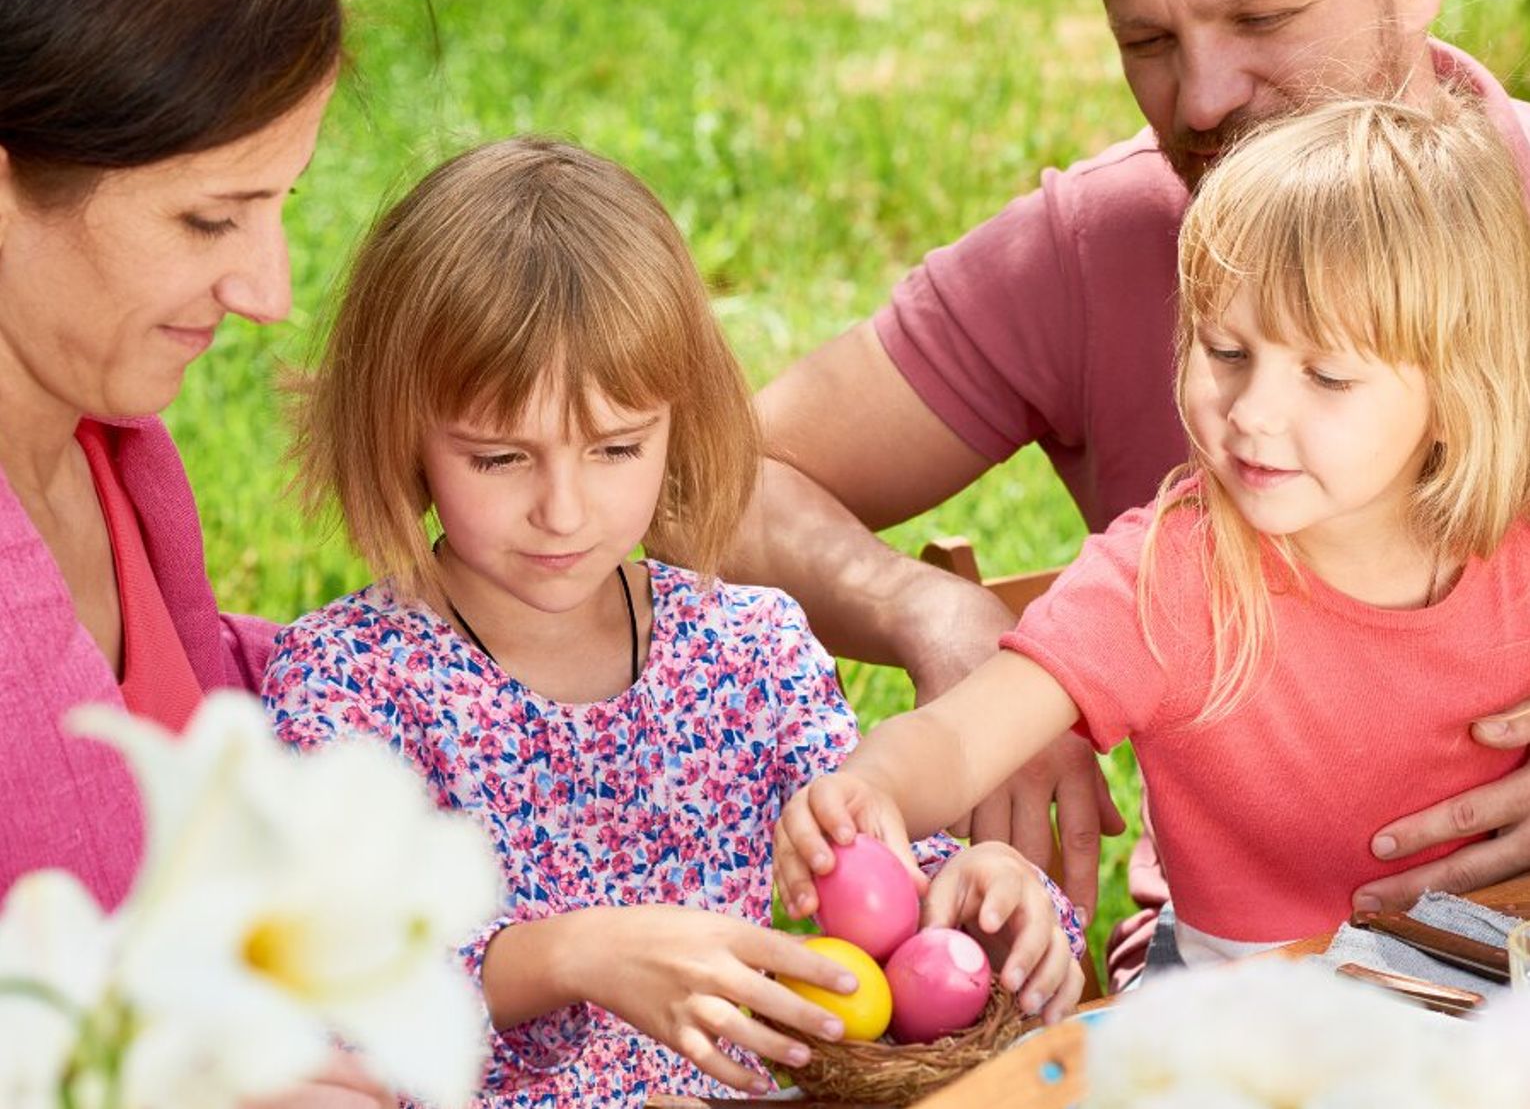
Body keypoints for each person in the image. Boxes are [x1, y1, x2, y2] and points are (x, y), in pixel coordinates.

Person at [710, 0, 1530, 984]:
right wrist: (876, 773)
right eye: (1147, 42)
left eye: (1263, 16)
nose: (1203, 98)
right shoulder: (1176, 569)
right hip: (1242, 1011)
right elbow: (714, 481)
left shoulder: (1505, 548)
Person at [261, 138, 1085, 1107]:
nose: (563, 510)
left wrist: (981, 899)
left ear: (676, 421)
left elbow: (868, 886)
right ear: (401, 429)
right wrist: (571, 954)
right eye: (499, 458)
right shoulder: (353, 682)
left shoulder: (746, 651)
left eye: (617, 446)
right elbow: (333, 1011)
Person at [0, 0, 392, 1104]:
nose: (269, 290)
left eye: (281, 204)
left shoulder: (110, 452)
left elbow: (198, 715)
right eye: (208, 218)